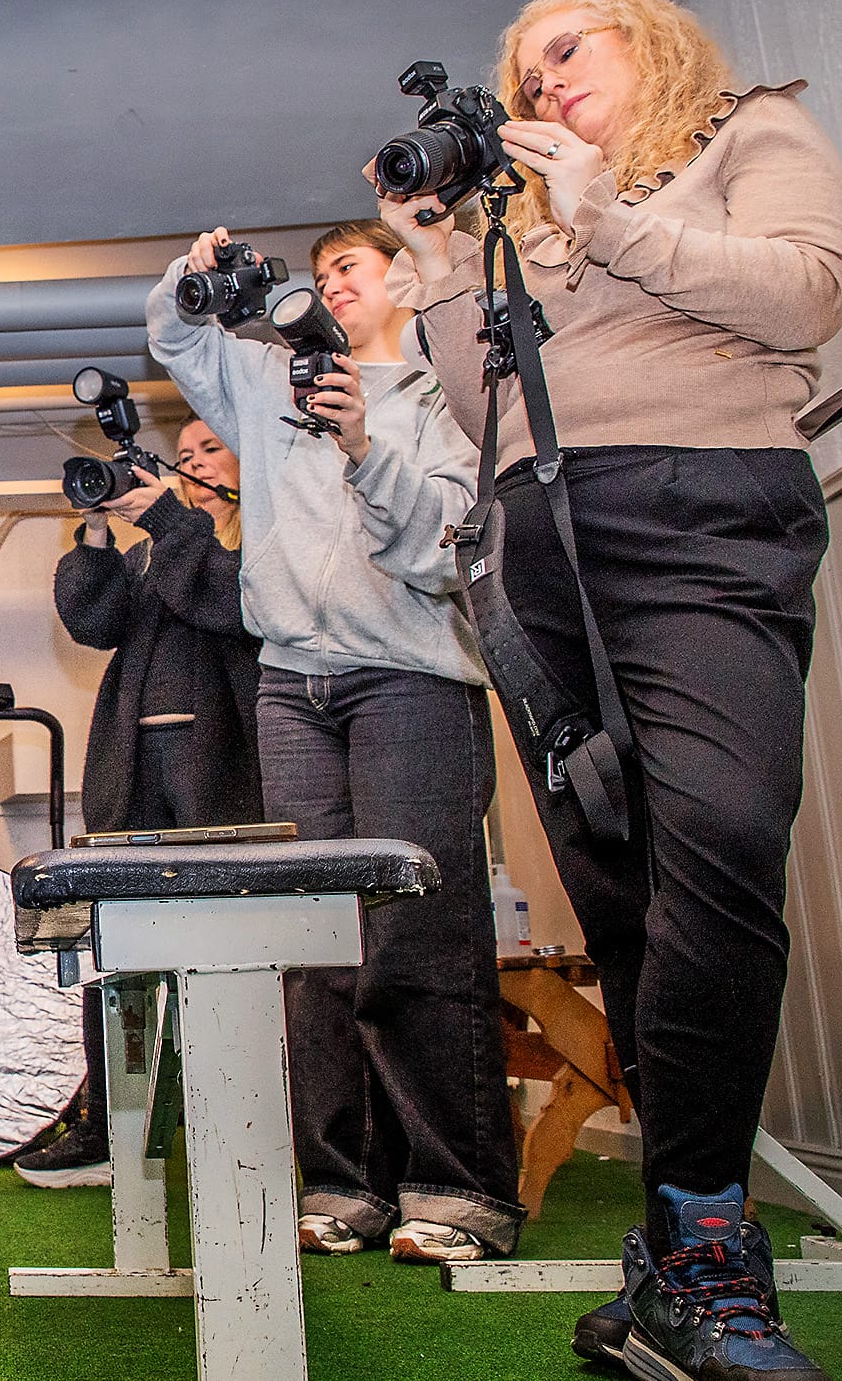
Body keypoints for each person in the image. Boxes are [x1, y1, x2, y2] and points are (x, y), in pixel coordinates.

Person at [382, 0, 842, 1381]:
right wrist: (440, 271)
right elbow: (492, 410)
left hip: (708, 515)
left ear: (649, 40)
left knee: (722, 843)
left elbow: (810, 291)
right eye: (523, 77)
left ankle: (710, 1239)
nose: (540, 88)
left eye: (564, 54)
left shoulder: (742, 132)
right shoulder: (519, 230)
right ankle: (680, 1253)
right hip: (546, 548)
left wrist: (608, 213)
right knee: (628, 898)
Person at [146, 218, 520, 1262]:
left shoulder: (451, 397)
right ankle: (346, 1185)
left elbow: (445, 554)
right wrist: (193, 277)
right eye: (316, 276)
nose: (327, 287)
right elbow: (179, 343)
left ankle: (458, 1190)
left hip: (409, 682)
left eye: (346, 268)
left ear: (403, 277)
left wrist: (362, 444)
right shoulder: (269, 386)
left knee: (421, 932)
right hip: (290, 687)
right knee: (316, 947)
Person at [18, 419, 261, 1188]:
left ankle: (240, 1127)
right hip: (133, 770)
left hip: (223, 771)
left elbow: (227, 606)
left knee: (228, 952)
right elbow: (94, 622)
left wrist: (167, 518)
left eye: (208, 452)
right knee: (117, 949)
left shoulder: (246, 545)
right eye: (181, 457)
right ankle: (112, 1127)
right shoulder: (159, 549)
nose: (190, 466)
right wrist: (96, 533)